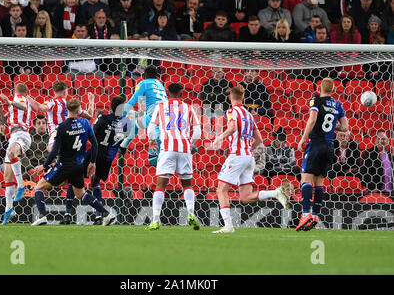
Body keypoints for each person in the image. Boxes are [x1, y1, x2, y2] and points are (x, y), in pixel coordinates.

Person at [212, 85, 290, 234]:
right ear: (243, 98)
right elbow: (259, 139)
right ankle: (275, 193)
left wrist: (219, 138)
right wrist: (247, 147)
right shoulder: (249, 114)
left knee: (221, 189)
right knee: (246, 197)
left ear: (230, 98)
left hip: (237, 156)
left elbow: (233, 128)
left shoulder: (232, 111)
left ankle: (228, 226)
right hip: (249, 157)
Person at [31, 98, 116, 226]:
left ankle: (42, 216)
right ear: (78, 110)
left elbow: (54, 151)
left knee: (39, 187)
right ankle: (106, 214)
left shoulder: (62, 127)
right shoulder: (86, 123)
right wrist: (92, 162)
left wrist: (43, 166)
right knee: (80, 193)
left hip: (64, 165)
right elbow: (94, 144)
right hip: (79, 165)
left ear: (66, 110)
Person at [60, 96, 130, 225]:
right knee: (95, 183)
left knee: (74, 179)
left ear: (111, 106)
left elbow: (92, 134)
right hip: (108, 158)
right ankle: (99, 217)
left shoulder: (102, 118)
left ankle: (67, 213)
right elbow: (123, 142)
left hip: (95, 154)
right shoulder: (126, 123)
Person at [146, 83, 202, 231]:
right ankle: (191, 213)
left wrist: (152, 140)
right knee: (187, 185)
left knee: (160, 185)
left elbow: (151, 128)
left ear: (167, 92)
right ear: (182, 93)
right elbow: (198, 133)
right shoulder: (189, 108)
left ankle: (156, 220)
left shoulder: (160, 106)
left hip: (167, 148)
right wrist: (189, 143)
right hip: (184, 149)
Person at [296, 78, 348, 231]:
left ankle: (305, 214)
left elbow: (312, 119)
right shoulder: (338, 105)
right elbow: (345, 127)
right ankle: (315, 215)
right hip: (330, 146)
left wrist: (303, 139)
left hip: (316, 144)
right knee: (319, 183)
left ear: (320, 88)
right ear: (333, 90)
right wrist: (333, 126)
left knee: (305, 179)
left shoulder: (316, 101)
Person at [0, 83, 32, 225]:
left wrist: (9, 101)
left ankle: (21, 186)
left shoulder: (22, 100)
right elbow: (1, 122)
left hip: (22, 134)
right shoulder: (13, 106)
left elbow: (23, 107)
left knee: (11, 153)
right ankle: (9, 209)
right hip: (12, 137)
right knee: (7, 176)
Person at [119, 65, 168, 166]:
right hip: (167, 117)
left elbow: (132, 101)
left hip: (154, 117)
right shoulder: (160, 84)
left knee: (132, 115)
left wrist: (119, 114)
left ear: (144, 76)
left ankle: (124, 145)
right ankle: (155, 150)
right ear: (156, 76)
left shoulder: (143, 83)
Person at [26, 80, 94, 152]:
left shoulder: (51, 102)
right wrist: (91, 100)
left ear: (54, 92)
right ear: (65, 92)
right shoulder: (70, 105)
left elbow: (39, 108)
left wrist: (26, 96)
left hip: (56, 134)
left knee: (52, 151)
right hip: (71, 134)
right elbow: (89, 116)